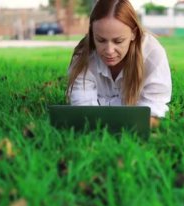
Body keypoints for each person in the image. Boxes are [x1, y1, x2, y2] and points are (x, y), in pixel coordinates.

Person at [67, 0, 172, 128]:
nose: (109, 51)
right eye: (101, 40)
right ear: (92, 33)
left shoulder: (152, 53)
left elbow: (154, 109)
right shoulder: (83, 56)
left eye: (118, 41)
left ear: (133, 33)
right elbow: (83, 110)